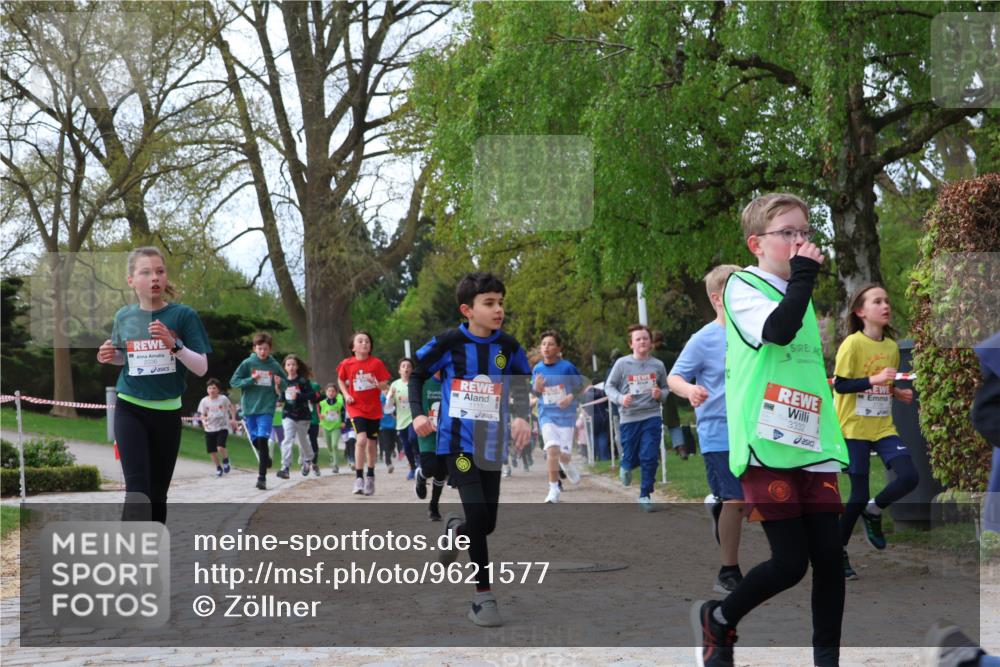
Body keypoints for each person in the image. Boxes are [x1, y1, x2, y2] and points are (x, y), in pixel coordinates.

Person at [692, 193, 849, 667]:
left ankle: (827, 659)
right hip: (766, 443)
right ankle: (719, 620)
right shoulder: (744, 286)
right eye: (788, 233)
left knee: (829, 559)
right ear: (756, 243)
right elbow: (777, 331)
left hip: (811, 441)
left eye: (805, 232)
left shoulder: (799, 288)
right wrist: (803, 276)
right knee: (789, 564)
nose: (800, 241)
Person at [408, 271, 531, 627]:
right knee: (478, 517)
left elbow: (521, 380)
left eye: (501, 303)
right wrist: (417, 415)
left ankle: (455, 533)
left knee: (486, 523)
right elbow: (417, 375)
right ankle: (483, 598)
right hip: (456, 444)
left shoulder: (507, 347)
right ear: (467, 309)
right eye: (489, 303)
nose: (498, 310)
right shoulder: (448, 343)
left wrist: (522, 415)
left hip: (491, 444)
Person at [97, 246, 210, 522]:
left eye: (159, 271)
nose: (154, 278)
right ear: (131, 280)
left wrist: (174, 345)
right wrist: (110, 356)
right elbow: (128, 359)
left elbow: (201, 367)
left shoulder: (183, 316)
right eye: (146, 272)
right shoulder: (124, 316)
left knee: (158, 494)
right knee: (138, 490)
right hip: (130, 407)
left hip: (167, 412)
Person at [668, 264, 745, 593]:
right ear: (717, 298)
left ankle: (717, 504)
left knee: (755, 499)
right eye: (737, 288)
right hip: (719, 431)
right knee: (736, 499)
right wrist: (690, 391)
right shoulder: (703, 339)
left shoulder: (755, 333)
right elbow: (674, 378)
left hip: (755, 431)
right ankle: (728, 571)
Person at [833, 284, 919, 579]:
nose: (885, 306)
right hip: (853, 427)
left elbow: (883, 382)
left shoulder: (892, 348)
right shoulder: (852, 344)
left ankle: (874, 510)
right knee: (857, 494)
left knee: (909, 476)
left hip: (883, 426)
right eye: (877, 301)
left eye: (887, 300)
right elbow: (842, 384)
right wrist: (875, 379)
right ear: (860, 311)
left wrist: (896, 392)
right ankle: (837, 553)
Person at [604, 324, 670, 511]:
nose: (642, 341)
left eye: (645, 338)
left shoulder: (657, 365)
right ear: (631, 344)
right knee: (631, 455)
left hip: (651, 415)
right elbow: (609, 387)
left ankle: (645, 494)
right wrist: (620, 398)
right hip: (629, 417)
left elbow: (666, 388)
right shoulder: (622, 364)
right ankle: (625, 465)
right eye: (638, 339)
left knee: (649, 456)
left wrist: (660, 394)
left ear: (651, 343)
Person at [531, 330, 584, 503]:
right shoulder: (537, 369)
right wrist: (536, 389)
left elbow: (580, 387)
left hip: (566, 417)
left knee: (563, 455)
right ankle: (553, 489)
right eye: (544, 344)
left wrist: (569, 397)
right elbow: (535, 394)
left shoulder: (567, 367)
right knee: (552, 448)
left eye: (551, 344)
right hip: (547, 415)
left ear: (559, 348)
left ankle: (567, 463)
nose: (546, 347)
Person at [337, 331, 391, 496]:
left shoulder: (376, 363)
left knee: (372, 444)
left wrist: (377, 384)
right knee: (361, 440)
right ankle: (359, 478)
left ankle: (370, 475)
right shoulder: (347, 364)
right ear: (353, 347)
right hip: (356, 407)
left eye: (367, 341)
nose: (364, 344)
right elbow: (340, 379)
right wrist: (346, 395)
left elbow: (384, 385)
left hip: (373, 409)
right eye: (360, 341)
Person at [230, 332, 285, 490]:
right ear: (254, 348)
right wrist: (251, 380)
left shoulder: (274, 366)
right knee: (256, 441)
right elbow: (234, 381)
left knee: (262, 439)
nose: (263, 352)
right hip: (249, 408)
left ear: (270, 349)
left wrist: (280, 383)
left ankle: (262, 478)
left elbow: (285, 384)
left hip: (267, 408)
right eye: (260, 348)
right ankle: (265, 458)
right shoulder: (248, 363)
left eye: (266, 349)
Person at [277, 354, 319, 478]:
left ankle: (308, 459)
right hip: (288, 414)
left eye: (293, 364)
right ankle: (285, 467)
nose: (291, 367)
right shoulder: (283, 381)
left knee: (302, 440)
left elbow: (312, 396)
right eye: (288, 365)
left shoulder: (302, 381)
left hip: (303, 416)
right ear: (284, 367)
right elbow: (282, 398)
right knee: (287, 439)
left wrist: (299, 396)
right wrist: (278, 391)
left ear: (297, 366)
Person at [413, 371, 447, 520]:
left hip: (446, 433)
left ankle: (434, 506)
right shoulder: (424, 382)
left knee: (441, 472)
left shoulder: (451, 381)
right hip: (427, 432)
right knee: (430, 467)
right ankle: (421, 475)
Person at [653, 330, 687, 459]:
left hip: (654, 392)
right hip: (670, 391)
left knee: (654, 424)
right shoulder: (672, 356)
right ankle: (681, 447)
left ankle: (656, 451)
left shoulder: (651, 356)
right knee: (673, 422)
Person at [197, 378, 237, 477]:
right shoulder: (204, 401)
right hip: (209, 429)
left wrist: (233, 419)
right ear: (207, 390)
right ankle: (218, 468)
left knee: (220, 447)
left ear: (218, 389)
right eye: (209, 388)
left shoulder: (223, 399)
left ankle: (226, 460)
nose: (212, 390)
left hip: (222, 427)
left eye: (214, 388)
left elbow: (232, 408)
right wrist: (203, 421)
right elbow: (202, 414)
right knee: (212, 451)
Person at [388, 358, 418, 480]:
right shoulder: (395, 384)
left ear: (412, 370)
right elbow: (388, 406)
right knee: (406, 445)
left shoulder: (415, 382)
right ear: (399, 370)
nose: (406, 368)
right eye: (403, 366)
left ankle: (419, 461)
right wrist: (390, 397)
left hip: (414, 417)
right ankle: (412, 468)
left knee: (413, 438)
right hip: (401, 420)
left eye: (409, 366)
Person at [317, 383, 345, 473]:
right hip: (325, 427)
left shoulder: (339, 403)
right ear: (326, 392)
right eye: (329, 391)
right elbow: (317, 409)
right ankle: (332, 457)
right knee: (329, 446)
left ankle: (335, 465)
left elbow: (343, 411)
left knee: (334, 445)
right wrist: (320, 415)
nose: (331, 393)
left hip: (336, 427)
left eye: (333, 391)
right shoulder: (322, 403)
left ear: (336, 393)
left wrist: (343, 422)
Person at [581, 379, 611, 461]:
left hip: (590, 419)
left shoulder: (585, 395)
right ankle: (604, 458)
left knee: (592, 438)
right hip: (602, 418)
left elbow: (583, 407)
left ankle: (593, 457)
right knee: (602, 437)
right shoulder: (601, 392)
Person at [378, 391, 398, 472]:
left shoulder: (393, 398)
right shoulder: (380, 398)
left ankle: (392, 450)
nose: (386, 391)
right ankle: (388, 463)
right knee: (386, 444)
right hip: (383, 425)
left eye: (387, 389)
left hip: (393, 424)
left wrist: (395, 415)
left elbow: (397, 407)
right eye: (384, 390)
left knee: (392, 444)